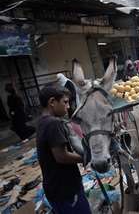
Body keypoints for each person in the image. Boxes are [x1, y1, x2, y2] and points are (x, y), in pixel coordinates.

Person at [36, 85, 91, 214]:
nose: (68, 107)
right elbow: (61, 156)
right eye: (65, 102)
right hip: (66, 189)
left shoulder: (42, 122)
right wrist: (87, 158)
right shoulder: (54, 123)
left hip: (54, 188)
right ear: (52, 102)